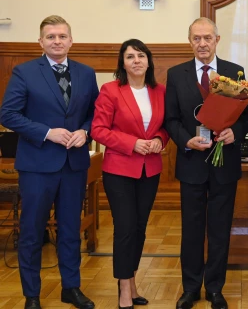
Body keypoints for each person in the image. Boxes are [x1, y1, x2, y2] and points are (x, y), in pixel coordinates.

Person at [0, 15, 98, 309]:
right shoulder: (24, 72)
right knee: (32, 231)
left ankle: (71, 288)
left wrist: (85, 131)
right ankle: (32, 295)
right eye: (51, 36)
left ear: (71, 40)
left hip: (73, 165)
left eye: (62, 36)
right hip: (37, 166)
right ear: (40, 41)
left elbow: (97, 114)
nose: (57, 41)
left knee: (70, 230)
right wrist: (46, 133)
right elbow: (8, 114)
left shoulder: (86, 73)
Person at [164, 17, 248, 309]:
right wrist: (185, 140)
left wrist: (233, 132)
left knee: (219, 229)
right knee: (191, 230)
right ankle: (190, 288)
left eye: (207, 38)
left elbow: (246, 117)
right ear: (190, 41)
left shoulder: (234, 72)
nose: (202, 43)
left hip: (224, 164)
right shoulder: (176, 74)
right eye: (196, 38)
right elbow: (171, 119)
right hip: (191, 163)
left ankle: (215, 288)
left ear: (217, 39)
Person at [91, 39, 169, 309]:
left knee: (139, 229)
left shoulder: (160, 91)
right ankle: (124, 288)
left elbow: (166, 126)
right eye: (129, 56)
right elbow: (98, 130)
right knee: (125, 228)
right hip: (119, 168)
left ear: (148, 61)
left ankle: (132, 281)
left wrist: (160, 138)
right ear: (122, 63)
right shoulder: (111, 90)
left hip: (151, 169)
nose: (136, 60)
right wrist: (131, 143)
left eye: (140, 55)